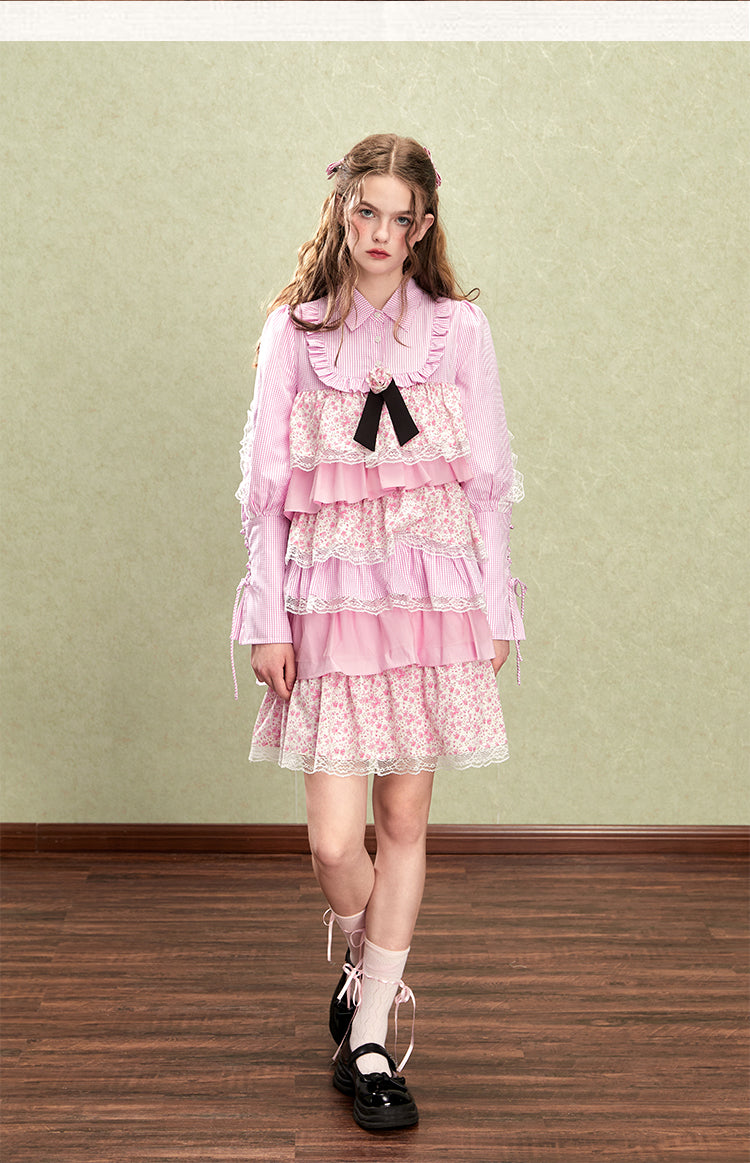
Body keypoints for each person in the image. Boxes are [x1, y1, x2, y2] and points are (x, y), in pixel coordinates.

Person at [231, 133, 525, 1132]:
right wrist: (266, 616)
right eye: (368, 212)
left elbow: (489, 481)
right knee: (332, 839)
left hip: (433, 600)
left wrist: (496, 606)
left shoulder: (458, 330)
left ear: (425, 225)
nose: (383, 233)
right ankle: (369, 963)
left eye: (403, 218)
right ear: (342, 210)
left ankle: (369, 1037)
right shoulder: (295, 331)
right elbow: (263, 490)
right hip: (330, 605)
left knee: (403, 823)